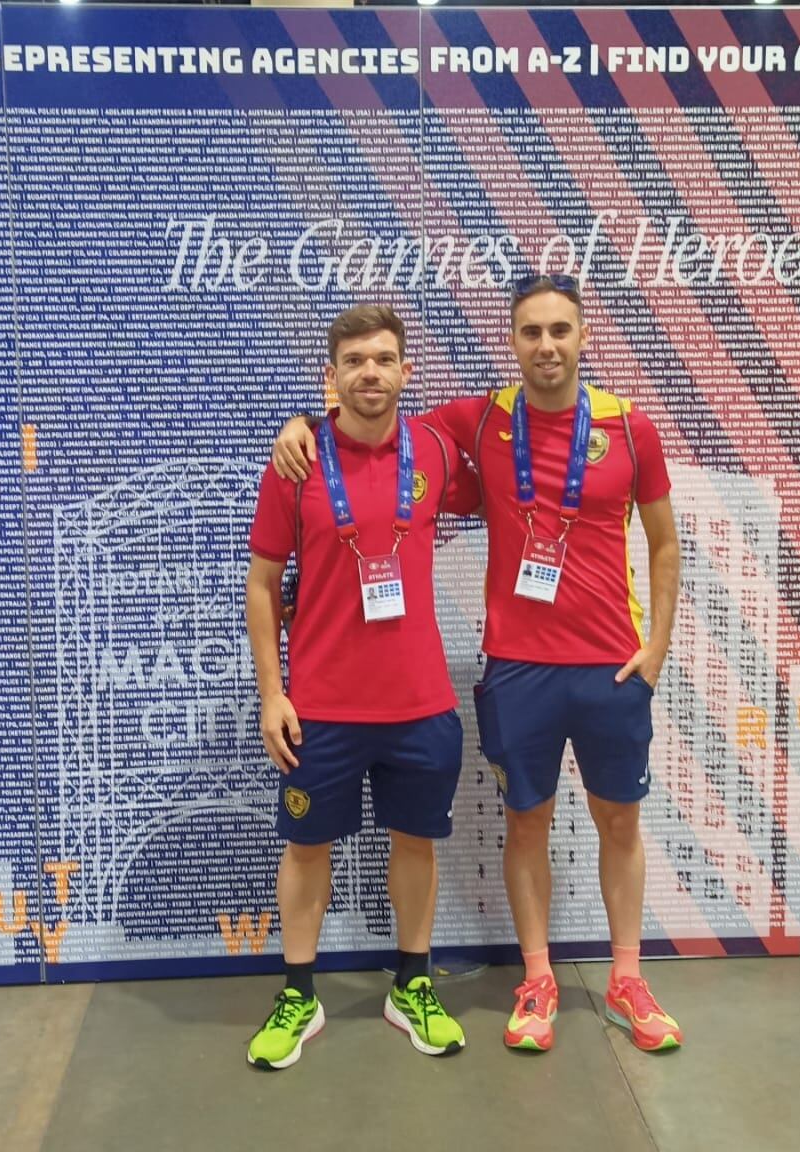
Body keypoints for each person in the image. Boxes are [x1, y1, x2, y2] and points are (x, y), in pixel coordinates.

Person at [272, 276, 685, 1053]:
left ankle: (629, 978)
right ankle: (537, 981)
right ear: (513, 342)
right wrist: (305, 418)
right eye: (531, 332)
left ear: (584, 336)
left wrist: (657, 644)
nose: (547, 346)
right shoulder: (482, 420)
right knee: (526, 824)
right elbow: (375, 422)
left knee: (620, 822)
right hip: (518, 670)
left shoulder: (632, 430)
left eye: (561, 330)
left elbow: (665, 543)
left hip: (611, 670)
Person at [242, 303, 482, 1070]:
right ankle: (298, 994)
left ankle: (411, 985)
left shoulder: (438, 451)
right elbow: (262, 582)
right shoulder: (298, 461)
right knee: (307, 848)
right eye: (354, 361)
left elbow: (516, 452)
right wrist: (271, 694)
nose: (370, 372)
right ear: (331, 377)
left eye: (384, 359)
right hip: (321, 708)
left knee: (416, 845)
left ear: (406, 372)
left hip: (421, 704)